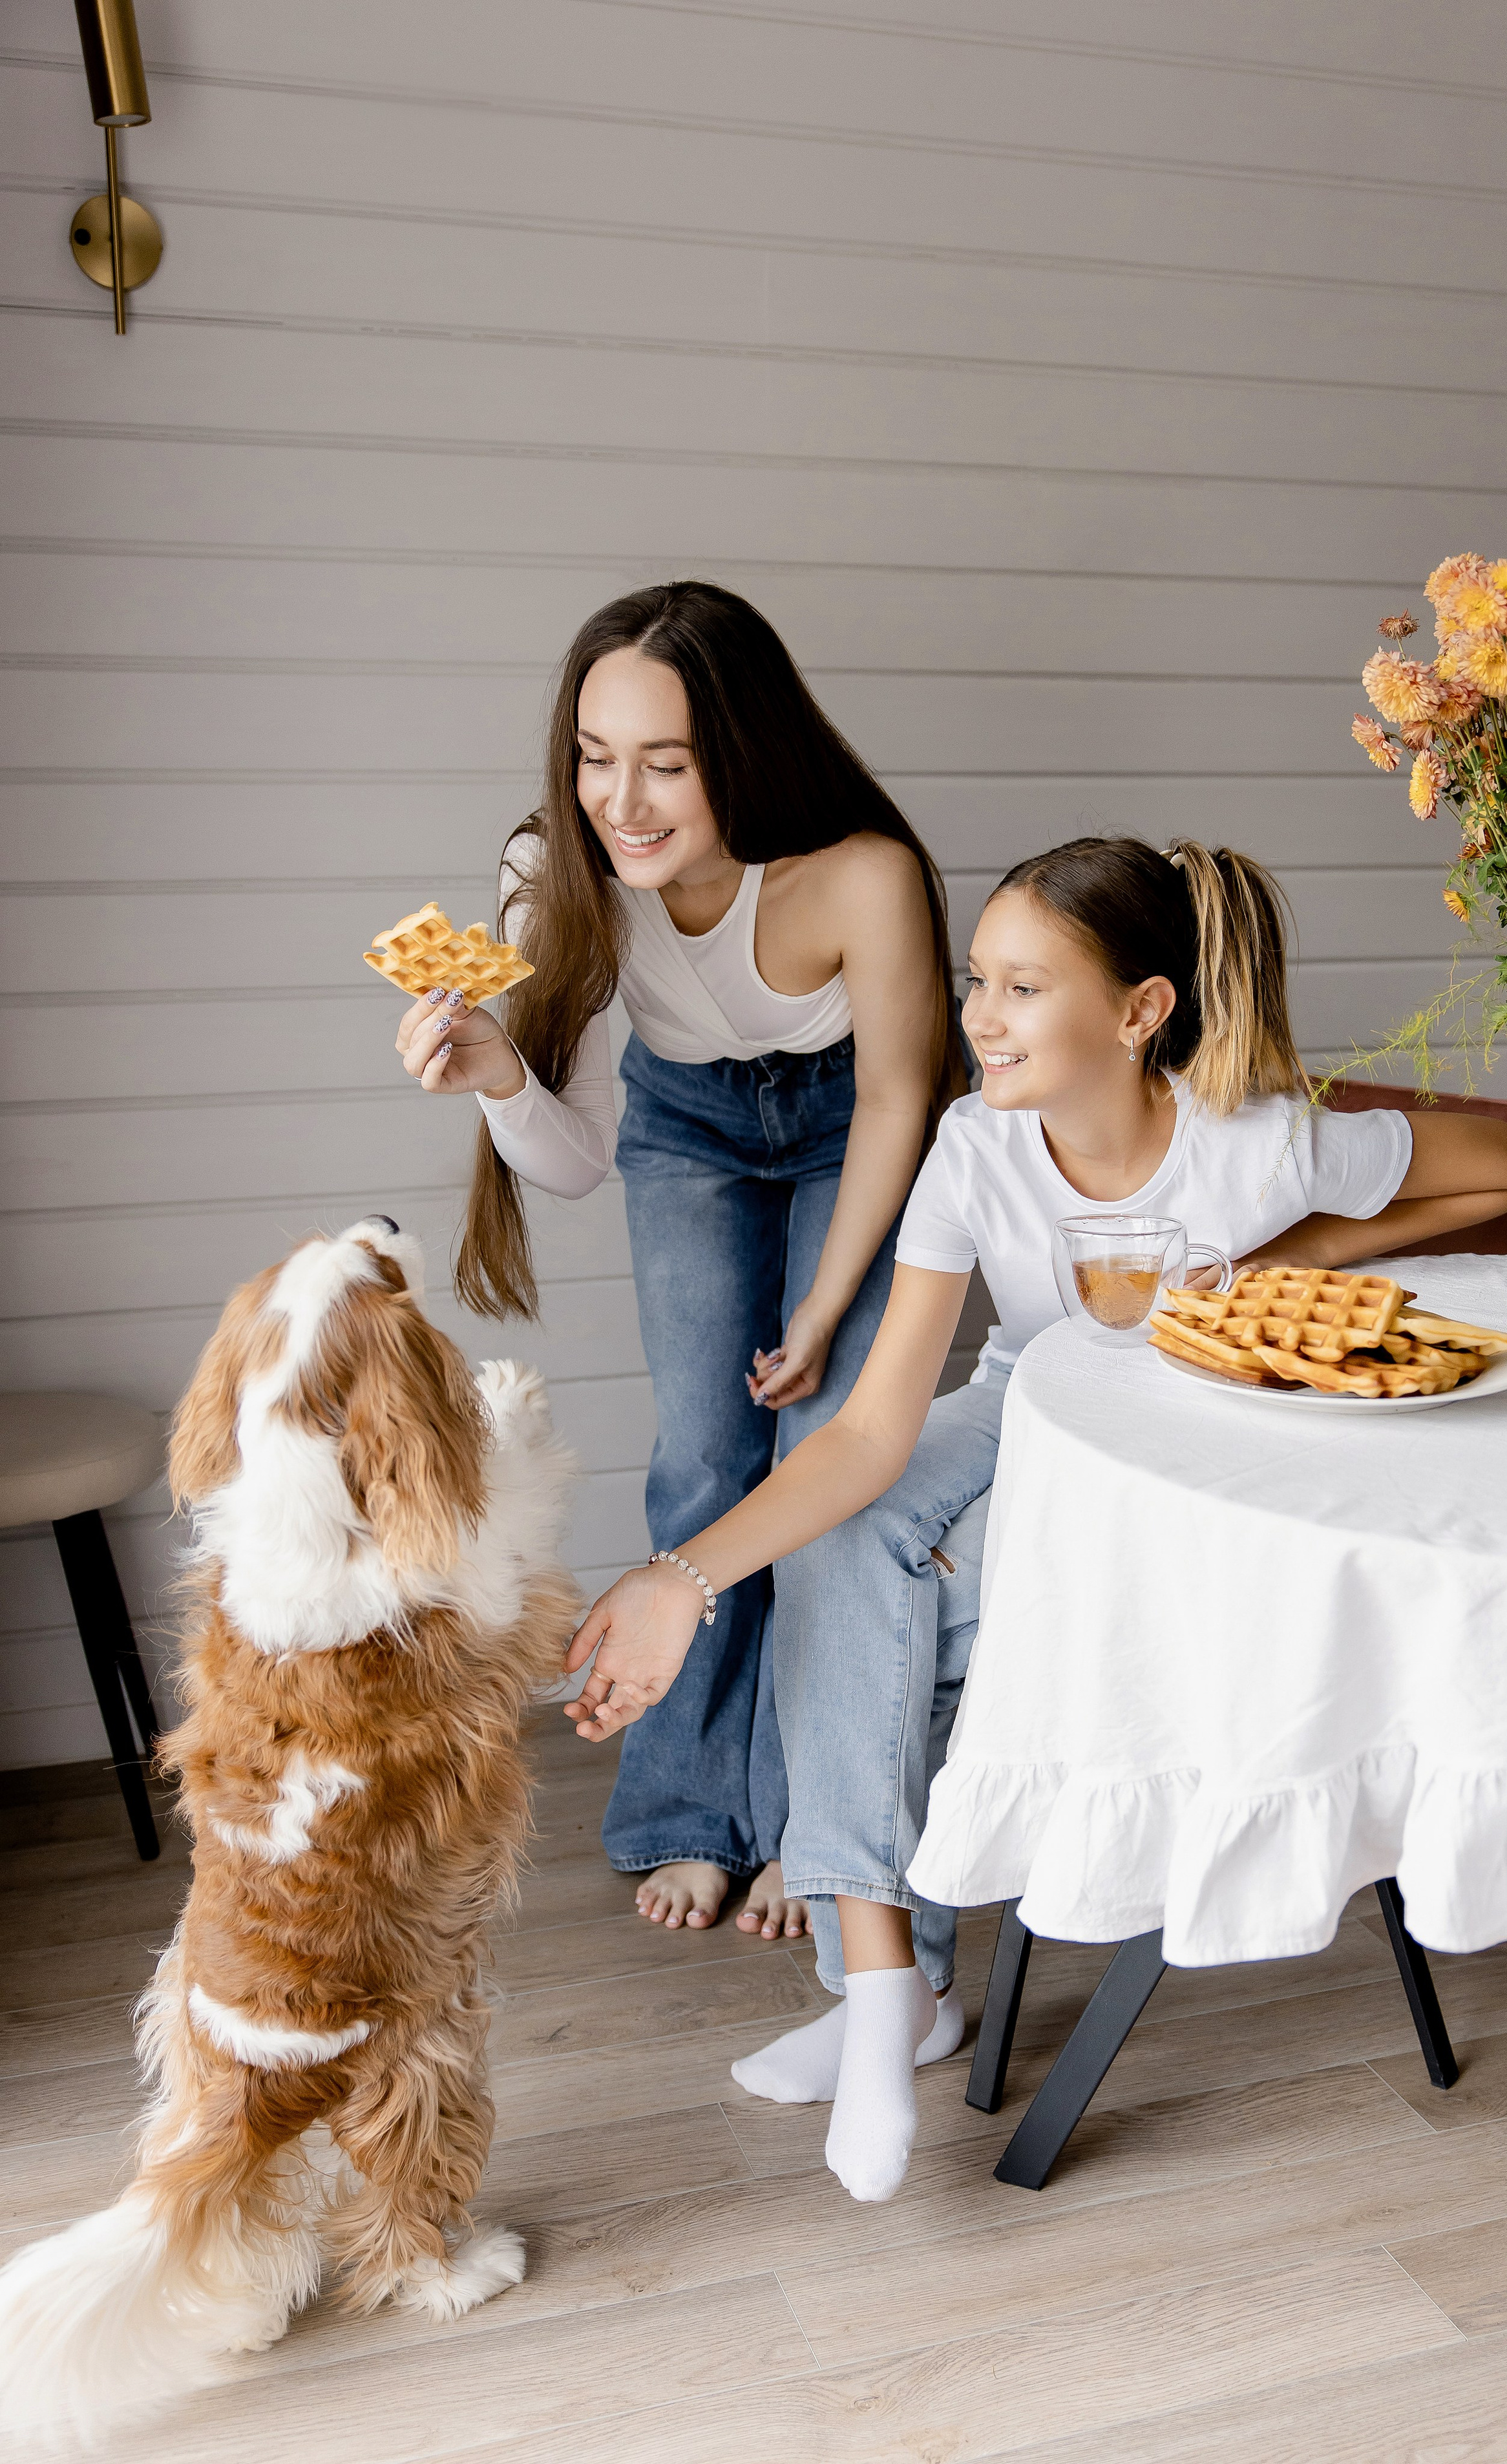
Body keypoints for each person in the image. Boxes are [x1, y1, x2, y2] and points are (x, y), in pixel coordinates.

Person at [556, 834, 1507, 2200]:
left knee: (905, 1606)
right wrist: (679, 1577)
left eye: (1020, 987)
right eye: (974, 981)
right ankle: (887, 1982)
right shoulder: (970, 1145)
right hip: (1030, 1401)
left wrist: (1268, 1263)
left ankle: (892, 1981)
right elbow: (876, 1430)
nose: (978, 1017)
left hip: (1183, 1447)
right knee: (842, 1529)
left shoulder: (1260, 1140)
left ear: (1139, 1013)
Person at [392, 583, 965, 1943]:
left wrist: (827, 1297)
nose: (622, 799)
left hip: (851, 1120)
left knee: (825, 1466)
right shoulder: (555, 870)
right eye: (596, 755)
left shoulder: (859, 870)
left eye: (666, 760)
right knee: (706, 1461)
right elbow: (578, 1150)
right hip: (684, 1124)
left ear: (742, 748)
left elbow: (901, 1094)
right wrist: (488, 1076)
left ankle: (814, 1834)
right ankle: (694, 1810)